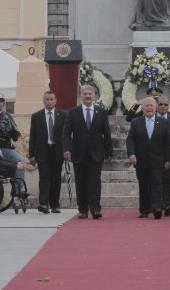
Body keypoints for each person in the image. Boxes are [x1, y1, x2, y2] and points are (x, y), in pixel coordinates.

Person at [62, 85, 112, 219]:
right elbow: (66, 133)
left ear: (94, 95)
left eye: (90, 94)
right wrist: (66, 149)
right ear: (81, 96)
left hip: (96, 153)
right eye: (85, 94)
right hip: (78, 153)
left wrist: (109, 152)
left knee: (95, 181)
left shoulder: (101, 112)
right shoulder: (73, 112)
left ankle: (95, 208)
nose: (88, 96)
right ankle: (83, 209)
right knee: (81, 182)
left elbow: (106, 133)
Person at [126, 97, 170, 219]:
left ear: (155, 107)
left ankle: (157, 207)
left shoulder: (163, 122)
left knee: (157, 183)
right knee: (143, 185)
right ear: (142, 108)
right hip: (141, 160)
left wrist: (168, 159)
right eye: (146, 106)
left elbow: (168, 142)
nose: (149, 108)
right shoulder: (136, 122)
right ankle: (144, 210)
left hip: (158, 159)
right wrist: (131, 154)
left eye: (151, 105)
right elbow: (130, 140)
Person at [29, 91, 66, 214]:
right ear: (43, 101)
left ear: (55, 101)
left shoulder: (63, 115)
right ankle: (44, 203)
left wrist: (67, 150)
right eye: (47, 99)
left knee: (56, 178)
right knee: (44, 178)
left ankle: (55, 204)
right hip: (42, 151)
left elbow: (66, 135)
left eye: (51, 99)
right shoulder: (36, 116)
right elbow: (33, 136)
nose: (49, 102)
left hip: (57, 151)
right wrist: (31, 155)